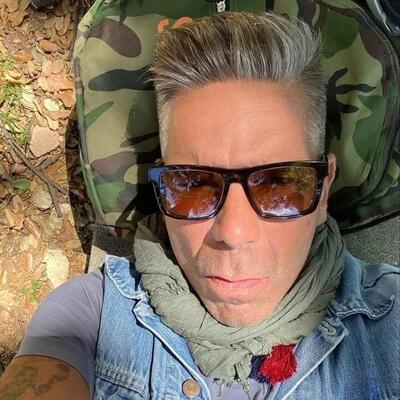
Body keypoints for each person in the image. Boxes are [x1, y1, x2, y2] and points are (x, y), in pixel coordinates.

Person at [0, 11, 399, 400]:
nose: (233, 233)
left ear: (324, 189)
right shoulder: (88, 319)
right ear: (160, 188)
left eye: (279, 184)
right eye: (192, 185)